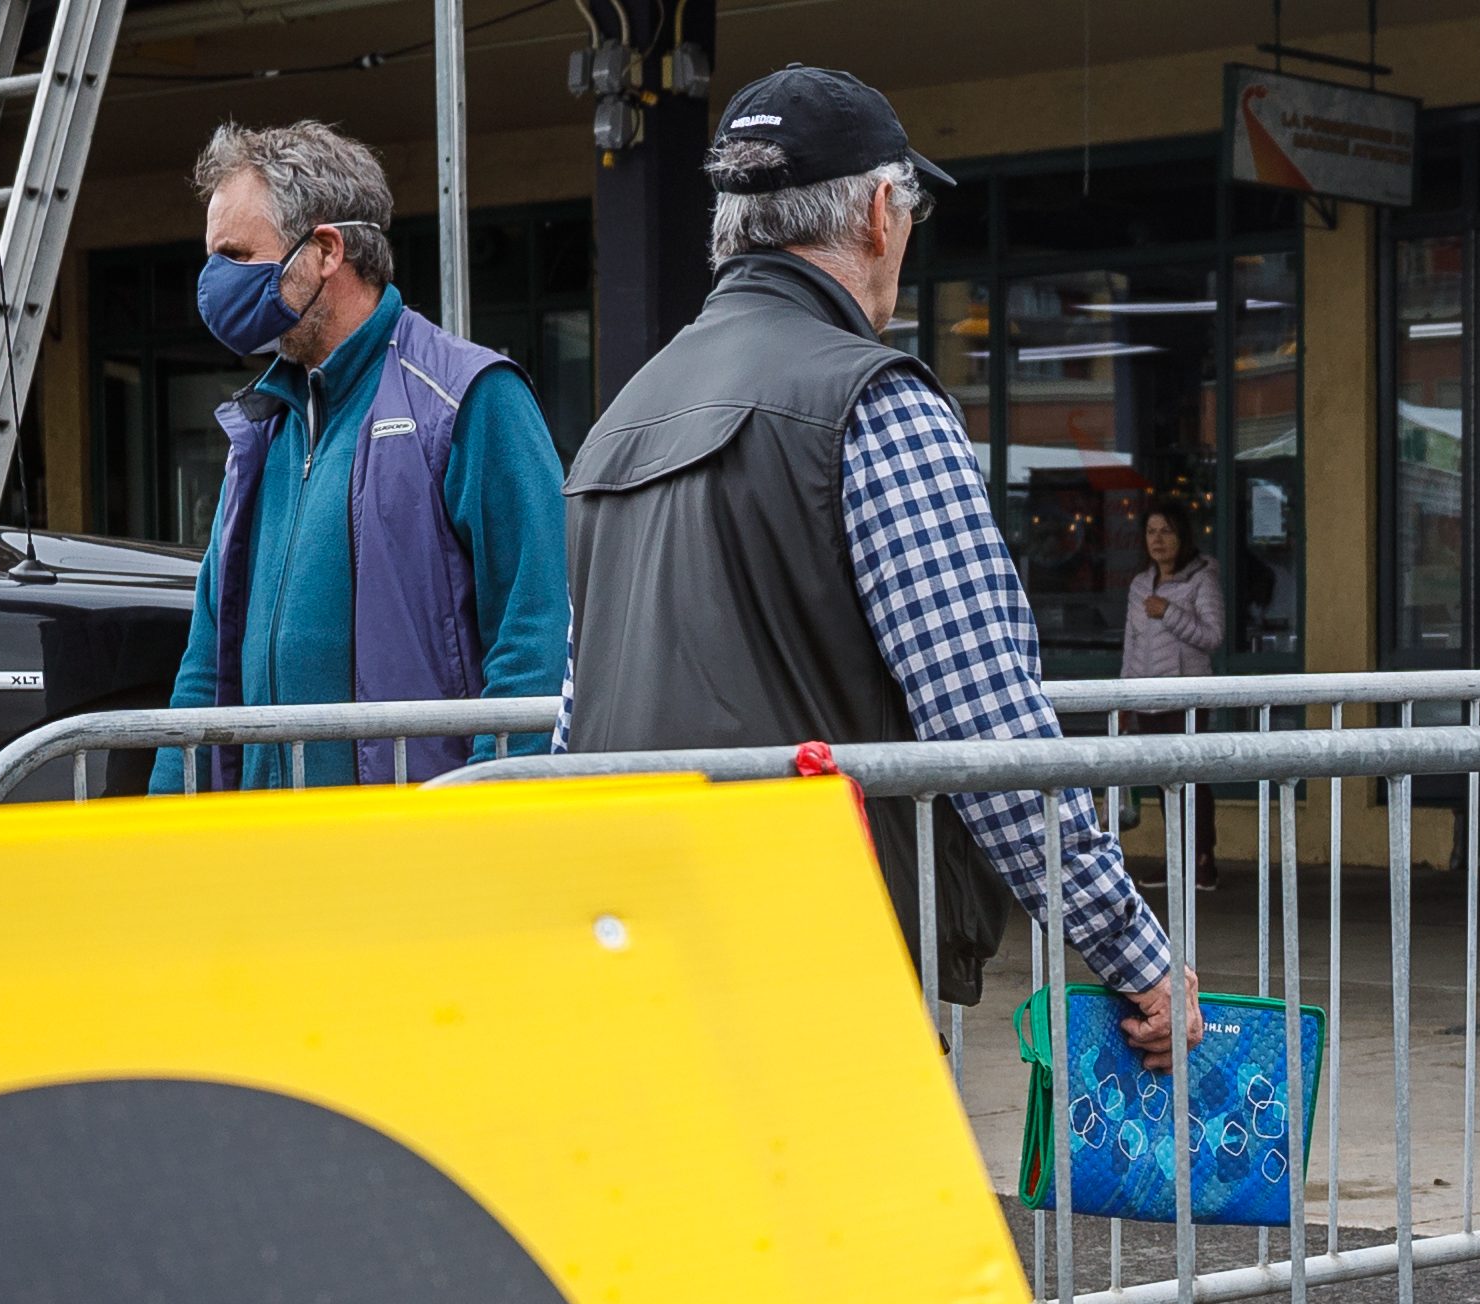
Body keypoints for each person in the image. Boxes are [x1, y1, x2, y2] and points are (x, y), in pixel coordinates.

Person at [563, 67, 1191, 1057]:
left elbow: (577, 709)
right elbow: (986, 720)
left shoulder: (621, 417)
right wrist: (1132, 951)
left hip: (632, 949)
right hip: (818, 960)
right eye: (909, 211)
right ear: (877, 214)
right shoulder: (872, 401)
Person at [151, 120, 569, 790]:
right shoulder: (262, 428)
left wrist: (483, 813)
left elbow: (534, 637)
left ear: (325, 250)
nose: (215, 282)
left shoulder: (468, 398)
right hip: (271, 837)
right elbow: (207, 659)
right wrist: (168, 813)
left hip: (414, 835)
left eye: (236, 254)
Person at [1121, 503, 1227, 684]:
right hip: (1142, 693)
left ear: (1181, 537)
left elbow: (1213, 637)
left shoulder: (1201, 579)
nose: (1157, 540)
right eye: (1151, 532)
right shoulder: (1139, 584)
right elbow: (1130, 644)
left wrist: (1168, 612)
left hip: (1184, 693)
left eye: (1166, 531)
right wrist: (1124, 689)